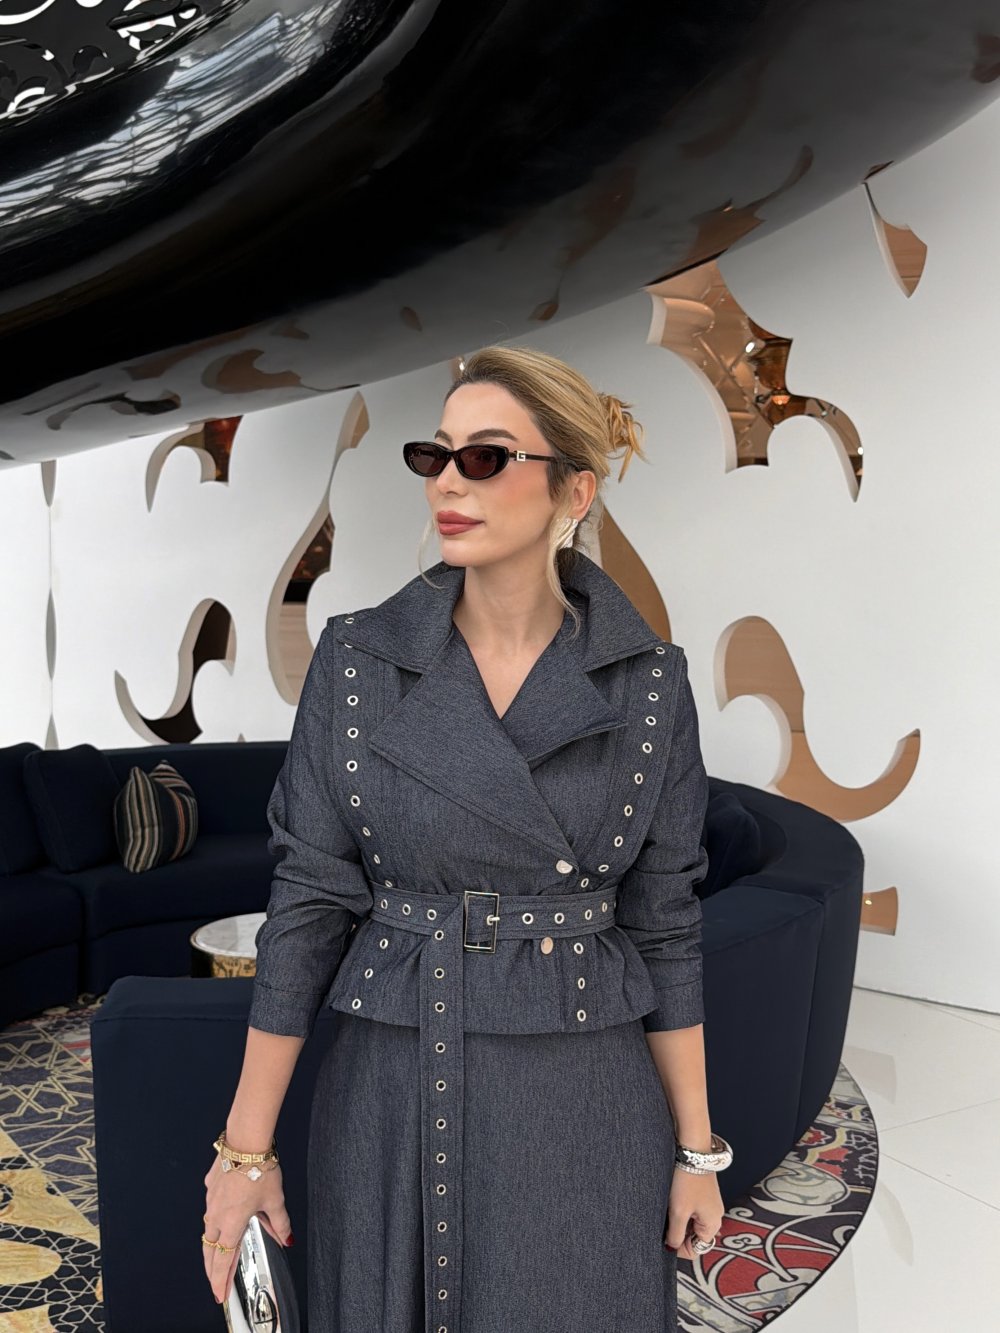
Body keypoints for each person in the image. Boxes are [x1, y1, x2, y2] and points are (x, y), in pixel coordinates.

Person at [202, 344, 731, 1330]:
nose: (447, 480)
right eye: (435, 455)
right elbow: (309, 905)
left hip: (584, 1089)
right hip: (395, 1079)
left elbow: (665, 924)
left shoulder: (649, 682)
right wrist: (244, 1150)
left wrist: (697, 1149)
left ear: (573, 488)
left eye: (485, 457)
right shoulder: (356, 661)